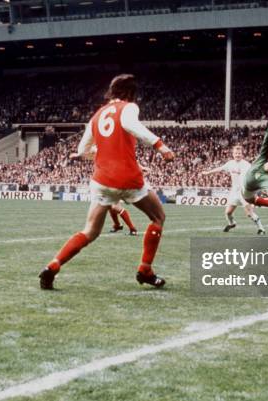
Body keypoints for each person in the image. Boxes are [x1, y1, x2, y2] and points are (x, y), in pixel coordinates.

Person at [39, 74, 175, 290]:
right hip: (127, 178)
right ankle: (145, 270)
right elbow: (131, 124)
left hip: (101, 180)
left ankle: (53, 266)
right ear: (130, 93)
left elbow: (82, 151)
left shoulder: (97, 115)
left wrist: (101, 152)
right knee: (158, 217)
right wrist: (160, 145)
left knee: (90, 231)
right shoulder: (128, 107)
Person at [200, 145, 266, 234]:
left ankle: (261, 229)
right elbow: (220, 169)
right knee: (228, 213)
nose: (237, 155)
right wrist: (208, 173)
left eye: (239, 153)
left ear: (242, 154)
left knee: (249, 213)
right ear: (233, 154)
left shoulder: (246, 165)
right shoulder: (230, 163)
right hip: (234, 192)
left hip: (244, 192)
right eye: (236, 153)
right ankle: (232, 224)